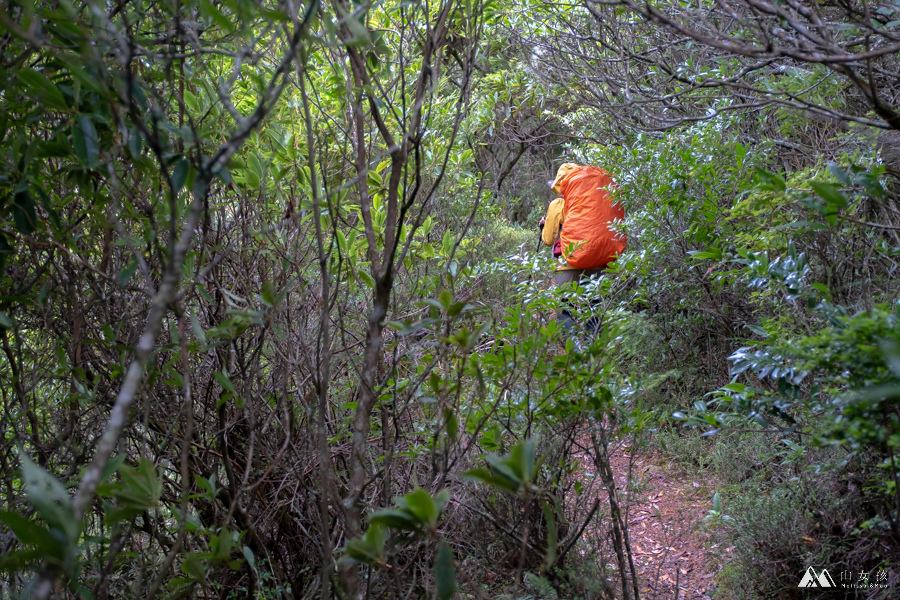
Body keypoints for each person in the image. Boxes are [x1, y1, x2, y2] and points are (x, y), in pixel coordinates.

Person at [540, 162, 626, 333]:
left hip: (569, 264)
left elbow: (549, 240)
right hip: (600, 263)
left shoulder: (558, 204)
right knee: (594, 309)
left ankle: (573, 354)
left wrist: (544, 225)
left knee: (565, 308)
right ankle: (592, 354)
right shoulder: (601, 200)